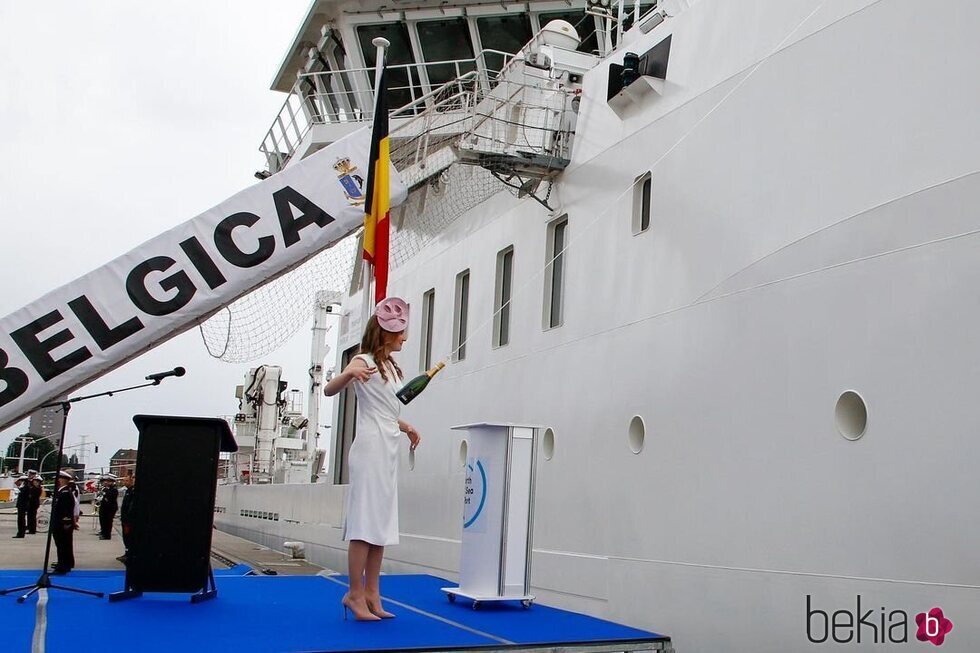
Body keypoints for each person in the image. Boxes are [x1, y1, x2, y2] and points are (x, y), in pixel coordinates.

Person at [324, 297, 421, 621]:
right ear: (386, 333)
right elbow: (329, 390)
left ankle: (372, 593)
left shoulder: (391, 367)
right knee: (365, 522)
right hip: (369, 447)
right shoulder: (362, 361)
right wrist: (348, 372)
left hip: (388, 444)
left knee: (380, 523)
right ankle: (354, 593)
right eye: (400, 331)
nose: (404, 337)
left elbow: (385, 409)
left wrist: (405, 426)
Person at [50, 470, 76, 574]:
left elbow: (66, 511)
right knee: (63, 545)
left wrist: (66, 523)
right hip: (59, 523)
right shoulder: (62, 492)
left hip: (62, 524)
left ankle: (63, 566)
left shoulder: (65, 493)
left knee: (63, 545)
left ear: (62, 480)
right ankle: (66, 562)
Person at [118, 474, 137, 564]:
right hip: (124, 519)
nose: (124, 482)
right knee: (125, 538)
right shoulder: (128, 491)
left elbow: (130, 507)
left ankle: (129, 554)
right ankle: (126, 553)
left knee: (128, 538)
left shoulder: (133, 492)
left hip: (128, 520)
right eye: (124, 480)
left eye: (126, 480)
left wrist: (127, 519)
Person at [98, 474, 119, 539]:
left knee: (108, 521)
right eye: (106, 481)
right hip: (104, 507)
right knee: (103, 520)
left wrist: (105, 495)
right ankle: (103, 531)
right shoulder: (105, 489)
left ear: (112, 482)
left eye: (109, 481)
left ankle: (107, 535)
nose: (106, 482)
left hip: (110, 508)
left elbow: (109, 499)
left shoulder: (114, 490)